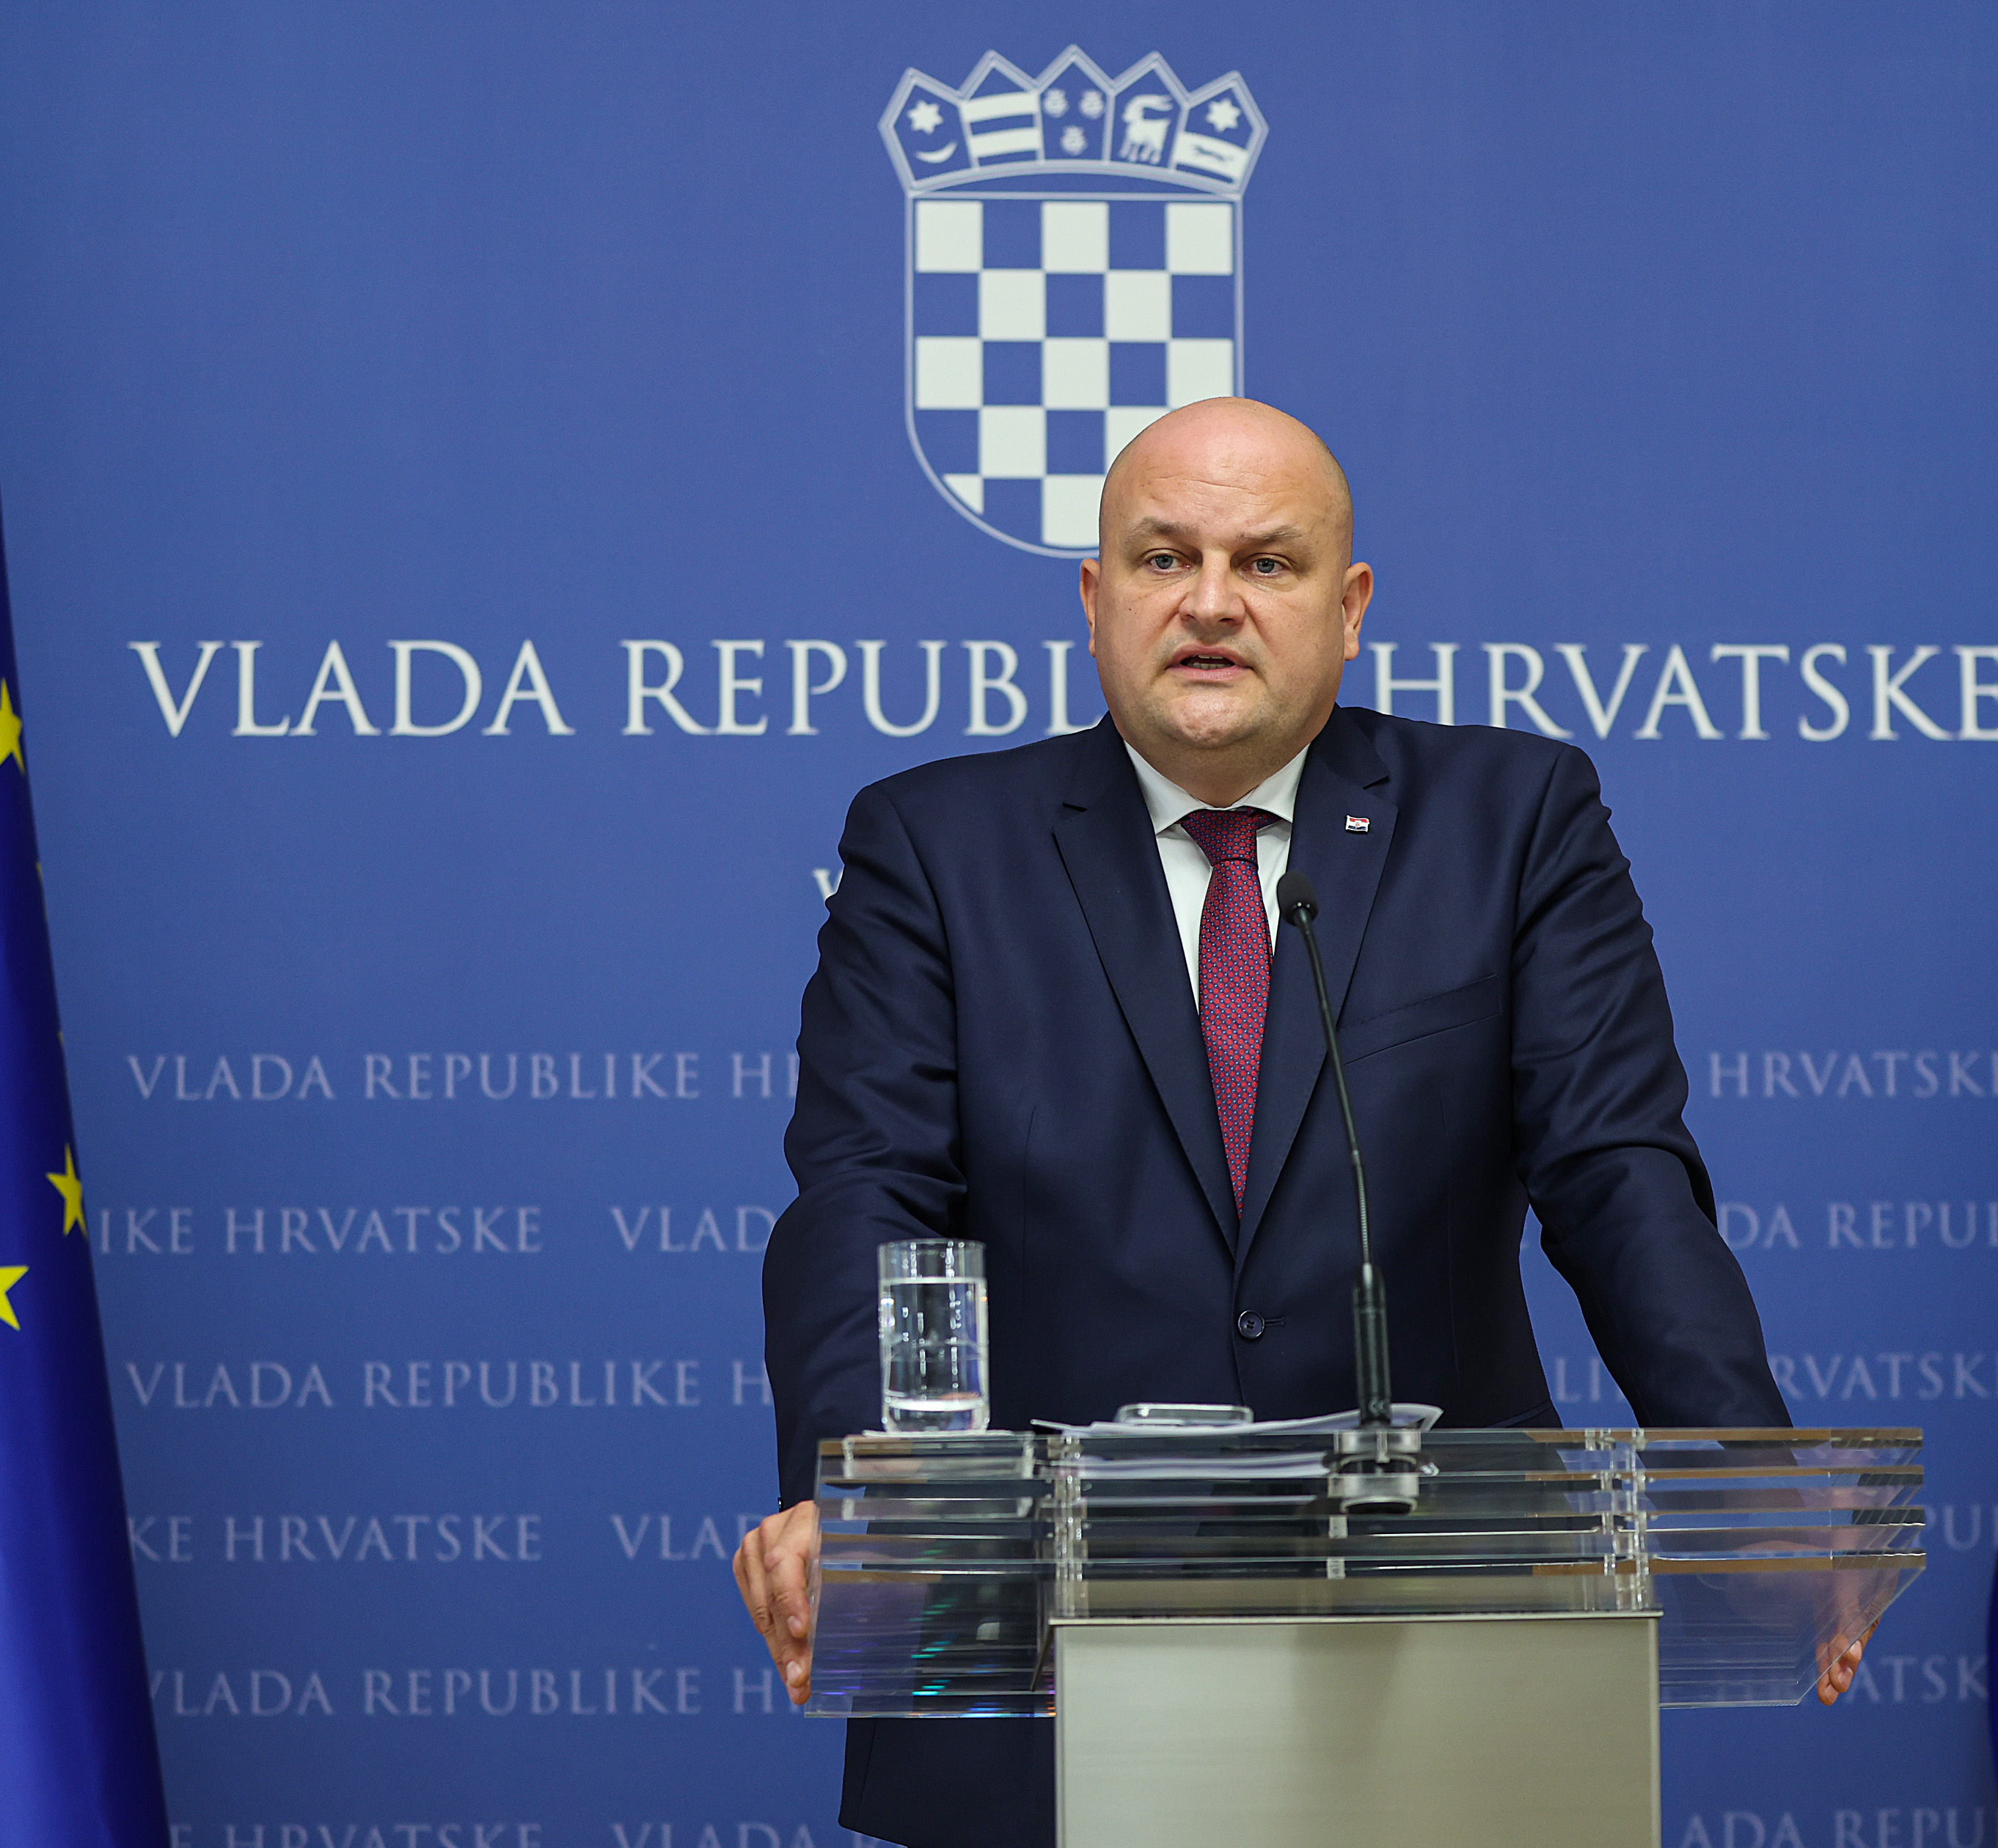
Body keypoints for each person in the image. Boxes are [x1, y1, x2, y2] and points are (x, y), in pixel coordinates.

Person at [733, 398, 1855, 1848]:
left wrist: (1744, 1471)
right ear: (1093, 598)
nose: (1210, 602)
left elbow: (1614, 1172)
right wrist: (856, 1493)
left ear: (1349, 605)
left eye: (1266, 562)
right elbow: (863, 1192)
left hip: (1439, 1620)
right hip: (1043, 1653)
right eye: (1163, 558)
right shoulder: (934, 845)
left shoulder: (1511, 818)